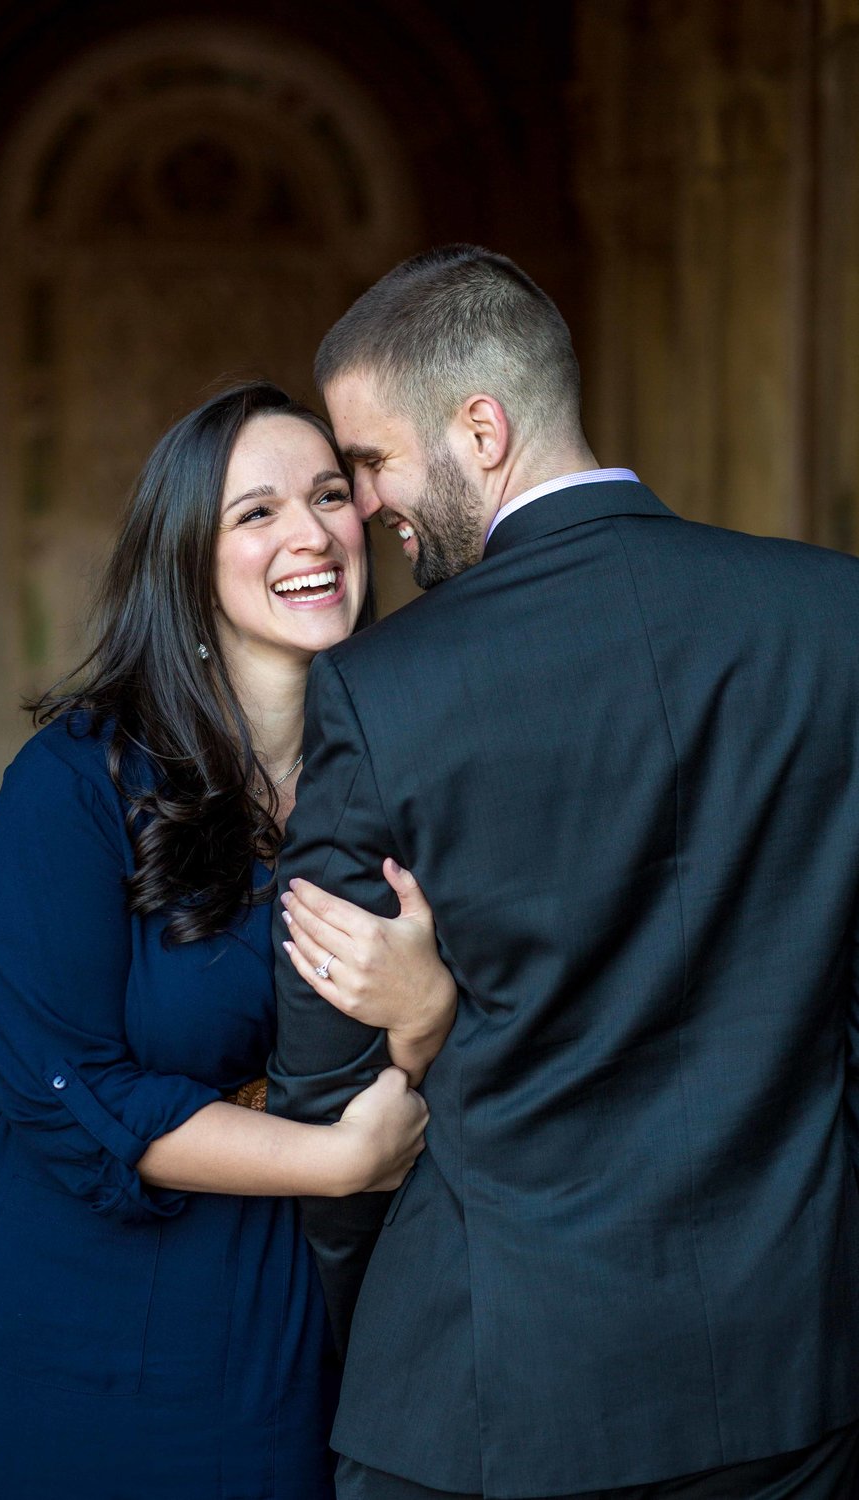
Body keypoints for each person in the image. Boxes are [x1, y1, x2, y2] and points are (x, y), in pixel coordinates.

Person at [267, 246, 859, 1499]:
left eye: (370, 462)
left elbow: (324, 1071)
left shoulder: (385, 688)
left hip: (490, 1389)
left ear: (479, 430)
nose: (365, 507)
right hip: (793, 1364)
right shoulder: (832, 621)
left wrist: (364, 1306)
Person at [0, 381, 457, 1499]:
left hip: (297, 1296)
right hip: (63, 1298)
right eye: (254, 513)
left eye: (328, 495)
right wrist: (333, 1159)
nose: (307, 533)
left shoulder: (420, 770)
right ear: (184, 559)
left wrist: (428, 1013)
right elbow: (66, 1088)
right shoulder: (72, 783)